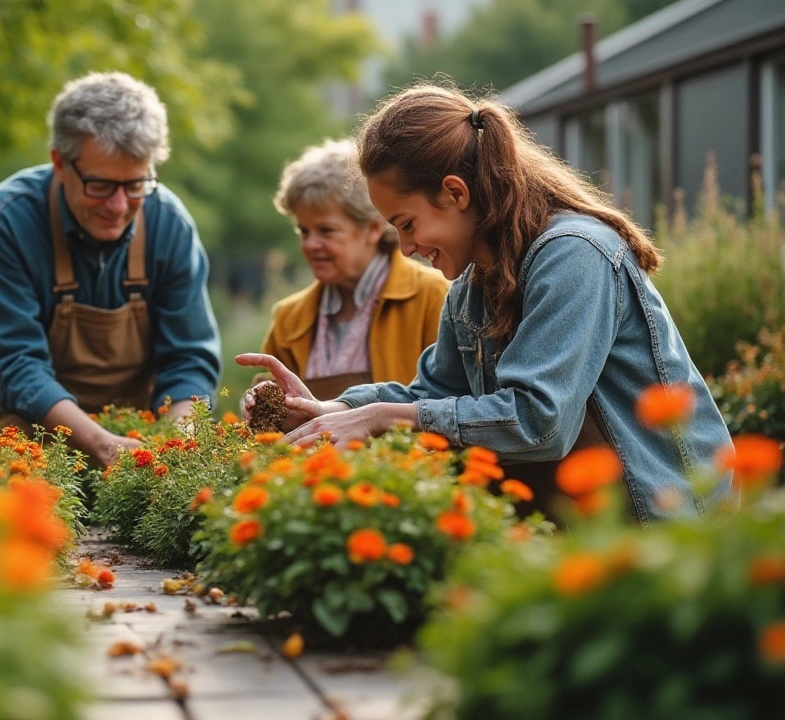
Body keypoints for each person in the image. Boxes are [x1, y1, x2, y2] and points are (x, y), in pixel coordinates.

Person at [240, 84, 732, 521]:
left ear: (454, 193)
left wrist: (377, 418)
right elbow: (432, 394)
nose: (405, 247)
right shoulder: (470, 287)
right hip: (585, 525)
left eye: (407, 224)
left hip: (668, 525)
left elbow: (539, 423)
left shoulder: (574, 254)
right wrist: (330, 410)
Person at [0, 72, 221, 467]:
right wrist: (100, 443)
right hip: (38, 434)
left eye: (136, 184)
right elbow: (14, 363)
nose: (119, 206)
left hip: (143, 428)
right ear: (59, 162)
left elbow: (189, 358)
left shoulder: (169, 222)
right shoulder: (6, 220)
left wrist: (178, 443)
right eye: (101, 185)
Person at [259, 139, 449, 400]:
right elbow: (269, 414)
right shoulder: (289, 318)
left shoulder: (434, 297)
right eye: (304, 231)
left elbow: (452, 400)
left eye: (326, 231)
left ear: (372, 229)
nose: (311, 244)